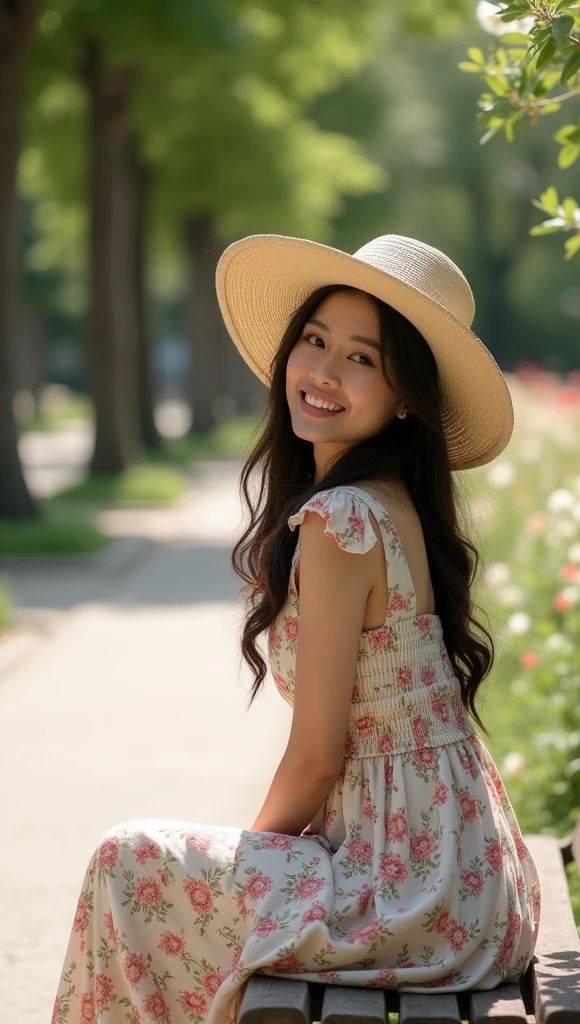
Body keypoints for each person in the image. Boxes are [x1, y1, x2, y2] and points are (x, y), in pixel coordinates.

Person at [52, 233, 541, 1024]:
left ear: (405, 395)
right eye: (315, 342)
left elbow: (317, 760)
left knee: (127, 861)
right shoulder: (388, 497)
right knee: (152, 867)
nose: (322, 372)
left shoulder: (342, 518)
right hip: (463, 877)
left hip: (411, 892)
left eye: (362, 359)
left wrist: (253, 861)